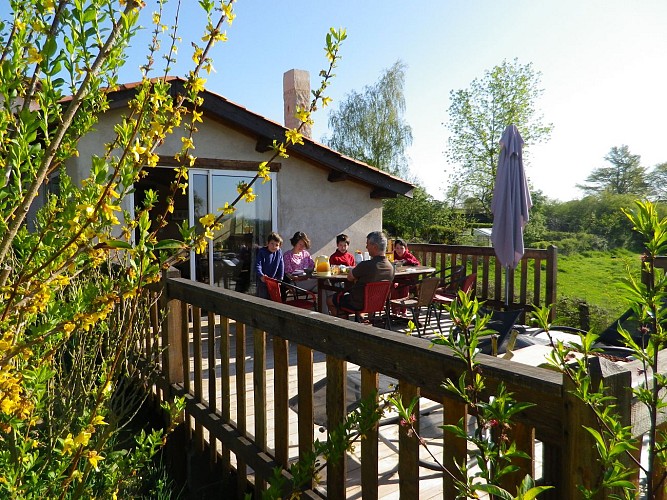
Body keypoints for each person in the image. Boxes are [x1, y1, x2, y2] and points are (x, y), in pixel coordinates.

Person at [327, 231, 394, 317]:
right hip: (377, 302)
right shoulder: (391, 268)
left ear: (375, 247)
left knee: (330, 300)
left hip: (357, 303)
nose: (366, 247)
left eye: (368, 244)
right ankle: (361, 319)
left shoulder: (366, 265)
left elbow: (349, 278)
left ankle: (342, 324)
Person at [391, 238, 421, 316]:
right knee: (394, 287)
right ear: (394, 248)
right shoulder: (392, 255)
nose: (399, 250)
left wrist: (406, 261)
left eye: (401, 248)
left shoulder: (408, 255)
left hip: (406, 278)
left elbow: (417, 263)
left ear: (405, 248)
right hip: (395, 278)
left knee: (404, 287)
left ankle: (404, 310)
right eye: (397, 248)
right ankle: (395, 310)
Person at [255, 232, 284, 299]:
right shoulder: (262, 252)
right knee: (263, 299)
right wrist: (261, 275)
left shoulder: (279, 252)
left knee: (274, 298)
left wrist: (280, 278)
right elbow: (257, 265)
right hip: (264, 280)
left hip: (274, 280)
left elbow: (281, 265)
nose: (274, 247)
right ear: (267, 243)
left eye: (276, 245)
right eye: (272, 244)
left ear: (279, 246)